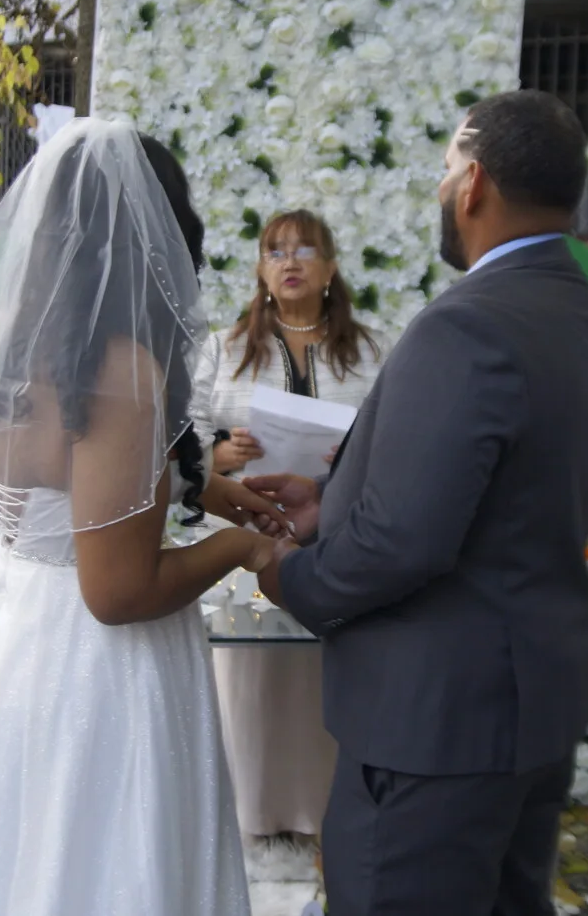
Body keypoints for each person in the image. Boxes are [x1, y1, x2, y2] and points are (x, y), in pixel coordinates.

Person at [0, 119, 290, 916]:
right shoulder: (121, 368)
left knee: (3, 865)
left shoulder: (7, 336)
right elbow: (118, 588)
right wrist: (239, 547)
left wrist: (201, 488)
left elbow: (62, 484)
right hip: (91, 672)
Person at [248, 90, 588, 916]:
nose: (442, 185)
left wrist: (289, 575)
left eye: (447, 167)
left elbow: (400, 542)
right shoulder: (584, 310)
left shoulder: (469, 323)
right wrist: (327, 499)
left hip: (437, 726)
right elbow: (504, 493)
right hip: (529, 710)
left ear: (475, 183)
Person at [191, 210, 383, 866]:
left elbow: (393, 438)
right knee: (251, 668)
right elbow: (180, 438)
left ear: (330, 267)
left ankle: (322, 804)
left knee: (319, 665)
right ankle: (248, 807)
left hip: (337, 528)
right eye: (275, 250)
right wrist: (218, 454)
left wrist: (347, 463)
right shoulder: (224, 345)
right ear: (260, 269)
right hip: (242, 530)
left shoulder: (374, 348)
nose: (290, 260)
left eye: (306, 249)